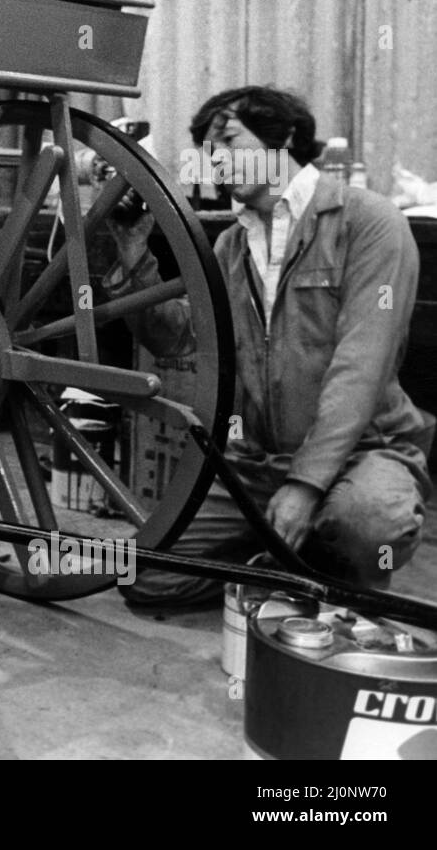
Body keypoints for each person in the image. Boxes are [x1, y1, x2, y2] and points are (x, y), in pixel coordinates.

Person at [104, 85, 432, 604]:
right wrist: (133, 253)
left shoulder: (368, 222)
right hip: (256, 462)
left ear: (287, 141)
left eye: (229, 141)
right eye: (208, 151)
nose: (214, 159)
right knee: (144, 577)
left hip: (361, 454)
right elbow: (180, 337)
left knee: (368, 525)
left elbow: (360, 367)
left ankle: (314, 546)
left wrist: (305, 486)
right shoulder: (233, 243)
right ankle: (285, 567)